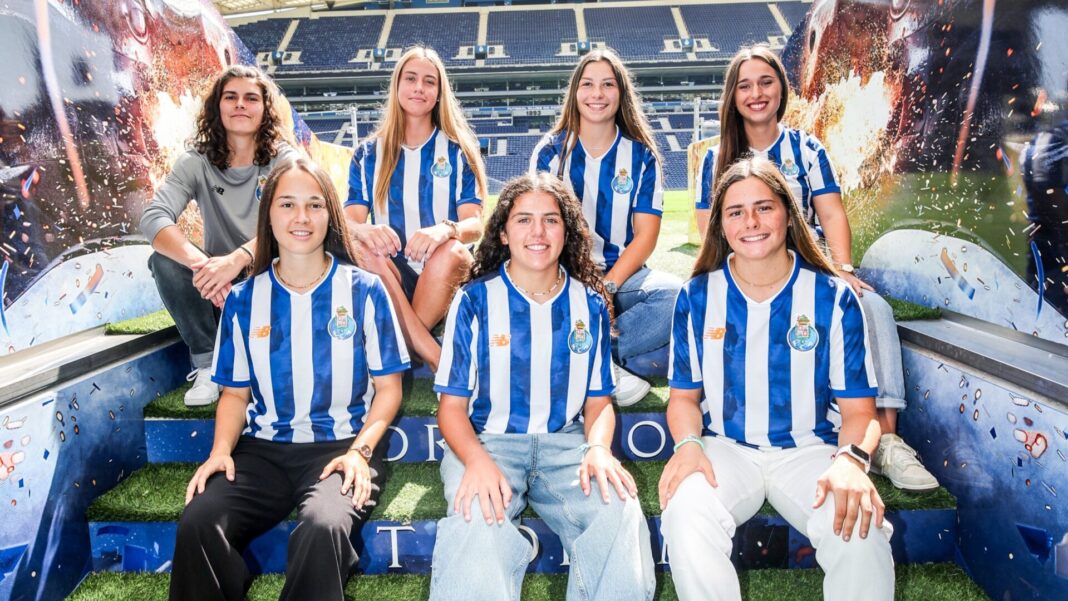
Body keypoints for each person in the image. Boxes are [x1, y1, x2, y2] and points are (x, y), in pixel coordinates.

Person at [693, 45, 937, 491]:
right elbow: (709, 231)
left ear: (781, 89)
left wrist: (839, 267)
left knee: (873, 308)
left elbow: (831, 214)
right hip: (748, 270)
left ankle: (885, 440)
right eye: (744, 85)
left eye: (765, 82)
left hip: (810, 262)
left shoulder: (806, 147)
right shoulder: (715, 159)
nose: (756, 93)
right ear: (732, 96)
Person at [170, 158, 409, 601]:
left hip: (340, 448)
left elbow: (389, 390)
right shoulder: (243, 299)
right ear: (269, 216)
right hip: (262, 453)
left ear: (330, 215)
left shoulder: (364, 290)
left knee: (322, 528)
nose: (301, 218)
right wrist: (220, 452)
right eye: (288, 205)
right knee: (199, 522)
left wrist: (360, 453)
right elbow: (235, 395)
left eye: (314, 205)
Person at [660, 157, 894, 601]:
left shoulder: (832, 296)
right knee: (685, 511)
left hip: (809, 451)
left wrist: (851, 461)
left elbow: (861, 413)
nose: (750, 221)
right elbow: (684, 399)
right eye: (735, 212)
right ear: (721, 226)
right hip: (725, 449)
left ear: (789, 214)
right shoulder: (697, 295)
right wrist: (689, 445)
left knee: (859, 528)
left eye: (764, 207)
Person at [429, 173, 655, 601]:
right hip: (488, 442)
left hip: (565, 446)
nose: (537, 232)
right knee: (477, 518)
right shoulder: (474, 300)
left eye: (551, 220)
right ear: (502, 231)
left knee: (620, 512)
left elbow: (599, 401)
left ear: (567, 231)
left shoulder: (588, 302)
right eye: (524, 220)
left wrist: (599, 450)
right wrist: (475, 461)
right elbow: (451, 409)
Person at [139, 65, 300, 407]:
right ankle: (206, 363)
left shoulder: (285, 160)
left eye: (251, 98)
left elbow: (292, 224)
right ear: (217, 106)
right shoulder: (196, 161)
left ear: (265, 109)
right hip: (218, 291)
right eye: (231, 97)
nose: (240, 105)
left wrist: (237, 259)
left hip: (274, 277)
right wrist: (206, 268)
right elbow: (153, 218)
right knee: (164, 261)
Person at [530, 48, 682, 407]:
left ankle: (574, 357)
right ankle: (605, 364)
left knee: (675, 297)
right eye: (588, 84)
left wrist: (607, 286)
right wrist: (579, 283)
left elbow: (646, 236)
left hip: (621, 275)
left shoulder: (642, 156)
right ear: (575, 92)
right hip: (561, 272)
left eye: (607, 85)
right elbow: (537, 228)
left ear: (621, 93)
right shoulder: (551, 152)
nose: (597, 94)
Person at [345, 46, 487, 373]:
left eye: (429, 81)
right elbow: (349, 225)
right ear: (397, 86)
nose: (419, 88)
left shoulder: (458, 150)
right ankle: (434, 355)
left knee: (453, 252)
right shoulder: (368, 154)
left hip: (440, 270)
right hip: (390, 273)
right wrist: (367, 230)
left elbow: (475, 224)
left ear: (439, 94)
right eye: (411, 79)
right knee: (361, 250)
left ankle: (397, 348)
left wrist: (444, 229)